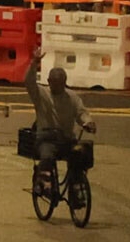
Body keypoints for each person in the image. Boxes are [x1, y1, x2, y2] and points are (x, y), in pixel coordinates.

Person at [25, 48, 96, 202]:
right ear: (49, 82)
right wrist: (34, 63)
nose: (57, 86)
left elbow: (81, 112)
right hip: (46, 139)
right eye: (54, 83)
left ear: (65, 82)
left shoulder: (72, 97)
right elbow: (29, 82)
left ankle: (76, 187)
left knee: (80, 155)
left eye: (60, 83)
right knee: (47, 155)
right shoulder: (41, 94)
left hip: (66, 139)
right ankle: (44, 183)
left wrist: (88, 122)